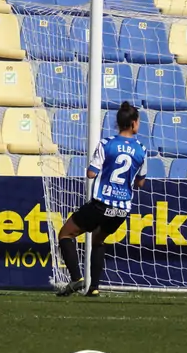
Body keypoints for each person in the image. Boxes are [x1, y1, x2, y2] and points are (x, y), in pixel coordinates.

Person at [56, 101, 147, 297]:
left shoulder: (107, 144)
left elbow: (90, 173)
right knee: (98, 240)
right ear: (133, 123)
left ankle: (76, 278)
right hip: (121, 209)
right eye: (138, 121)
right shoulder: (141, 149)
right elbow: (140, 183)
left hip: (101, 204)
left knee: (65, 234)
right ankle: (94, 287)